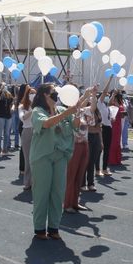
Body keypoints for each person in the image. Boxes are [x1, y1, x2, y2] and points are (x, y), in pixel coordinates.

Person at [30, 83, 91, 240]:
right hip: (42, 157)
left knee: (58, 193)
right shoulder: (37, 111)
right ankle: (39, 229)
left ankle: (54, 227)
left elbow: (75, 125)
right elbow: (47, 123)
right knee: (42, 193)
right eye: (53, 94)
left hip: (60, 156)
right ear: (44, 95)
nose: (57, 96)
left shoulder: (63, 110)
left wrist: (77, 112)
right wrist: (69, 112)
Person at [64, 90, 96, 213]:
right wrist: (86, 95)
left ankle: (75, 202)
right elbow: (76, 106)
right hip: (74, 146)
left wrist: (93, 95)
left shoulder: (84, 112)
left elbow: (92, 107)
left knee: (79, 175)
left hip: (84, 145)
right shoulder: (69, 113)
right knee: (71, 176)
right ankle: (67, 204)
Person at [97, 79, 117, 175]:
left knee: (107, 149)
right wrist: (110, 79)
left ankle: (104, 168)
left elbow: (110, 103)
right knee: (100, 149)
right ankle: (97, 169)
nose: (106, 96)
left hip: (108, 128)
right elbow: (105, 92)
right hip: (102, 128)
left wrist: (113, 95)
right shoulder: (99, 104)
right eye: (105, 96)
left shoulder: (106, 106)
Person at [83, 101, 102, 192]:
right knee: (85, 161)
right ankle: (82, 184)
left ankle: (91, 183)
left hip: (96, 139)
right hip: (88, 138)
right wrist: (94, 130)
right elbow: (87, 128)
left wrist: (101, 142)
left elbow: (99, 128)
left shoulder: (97, 112)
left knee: (92, 162)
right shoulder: (85, 112)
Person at [18, 87, 35, 190]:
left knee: (36, 158)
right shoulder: (21, 106)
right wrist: (33, 110)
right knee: (28, 158)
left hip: (37, 132)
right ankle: (27, 182)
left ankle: (35, 181)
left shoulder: (39, 106)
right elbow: (23, 118)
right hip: (27, 131)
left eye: (34, 93)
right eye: (31, 93)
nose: (33, 95)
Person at [0, 83, 14, 156]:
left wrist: (12, 108)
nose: (5, 87)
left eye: (5, 86)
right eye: (3, 86)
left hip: (8, 116)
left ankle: (5, 149)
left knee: (7, 133)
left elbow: (12, 103)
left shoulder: (8, 94)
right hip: (0, 116)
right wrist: (0, 89)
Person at [108, 91, 124, 166]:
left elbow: (122, 114)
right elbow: (109, 103)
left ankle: (117, 159)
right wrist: (113, 96)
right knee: (113, 142)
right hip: (113, 124)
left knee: (117, 142)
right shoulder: (112, 104)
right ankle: (112, 160)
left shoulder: (120, 105)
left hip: (118, 125)